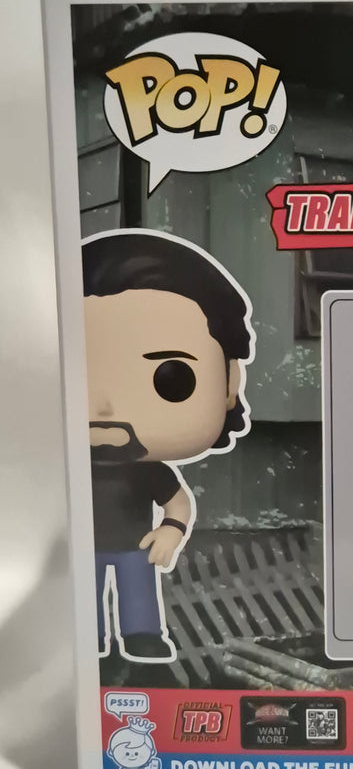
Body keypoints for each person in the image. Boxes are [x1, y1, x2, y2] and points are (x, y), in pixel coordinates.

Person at [83, 229, 254, 662]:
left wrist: (171, 531)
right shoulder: (66, 468)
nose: (103, 406)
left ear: (229, 382)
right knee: (84, 602)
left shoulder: (148, 470)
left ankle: (142, 635)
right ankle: (89, 638)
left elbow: (177, 502)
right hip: (81, 550)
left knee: (138, 592)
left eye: (171, 378)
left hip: (137, 545)